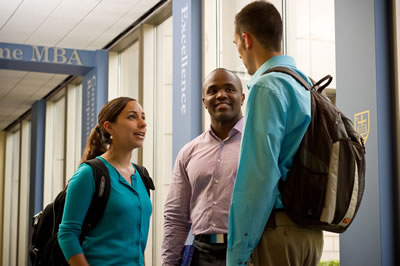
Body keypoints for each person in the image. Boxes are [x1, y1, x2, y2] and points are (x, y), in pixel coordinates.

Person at [227, 1, 323, 266]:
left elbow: (258, 178)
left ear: (246, 40)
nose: (239, 53)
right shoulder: (306, 83)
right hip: (310, 234)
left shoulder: (267, 86)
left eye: (236, 44)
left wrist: (237, 254)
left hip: (277, 232)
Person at [162, 68, 245, 266]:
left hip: (247, 252)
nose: (221, 95)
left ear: (242, 98)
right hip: (201, 255)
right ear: (204, 101)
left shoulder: (257, 145)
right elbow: (175, 216)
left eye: (229, 89)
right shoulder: (188, 152)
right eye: (213, 90)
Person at [58, 97, 152, 266]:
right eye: (132, 117)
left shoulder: (142, 176)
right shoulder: (89, 174)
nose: (142, 123)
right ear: (109, 127)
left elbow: (136, 239)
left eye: (143, 117)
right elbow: (67, 233)